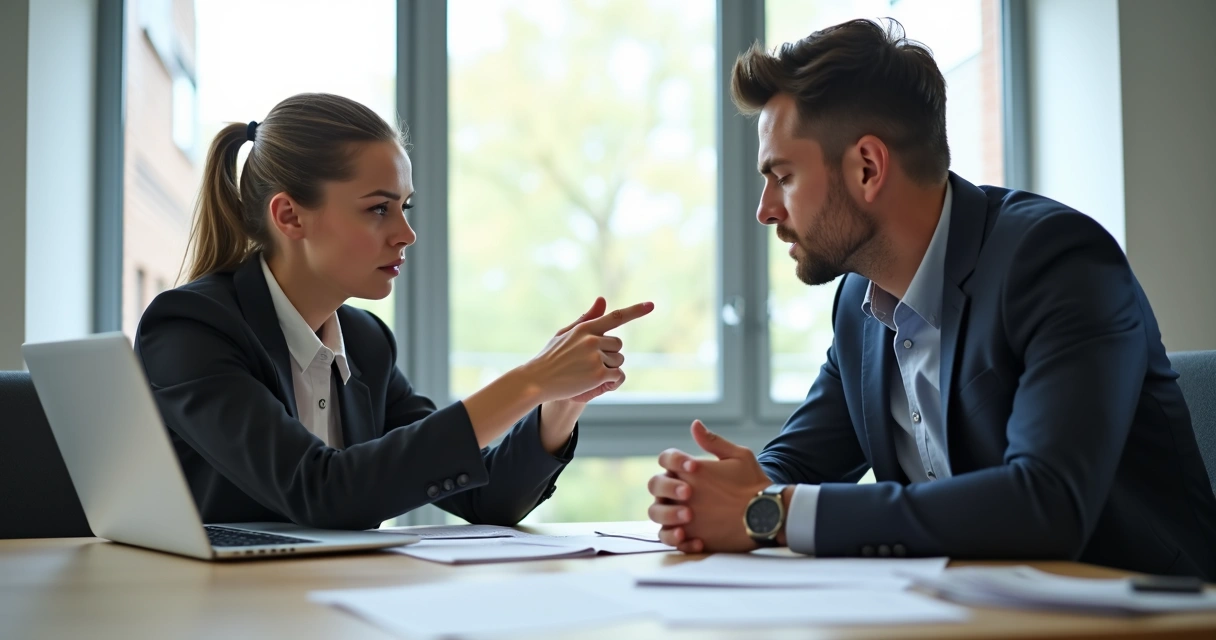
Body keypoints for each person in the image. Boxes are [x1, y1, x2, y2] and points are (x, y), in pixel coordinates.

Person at [646, 19, 1216, 580]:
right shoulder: (859, 306)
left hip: (1144, 614)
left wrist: (766, 513)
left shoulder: (1056, 262)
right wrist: (716, 494)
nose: (765, 209)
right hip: (970, 612)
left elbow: (1047, 502)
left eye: (783, 176)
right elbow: (796, 462)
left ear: (867, 168)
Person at [136, 93, 653, 530]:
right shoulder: (191, 329)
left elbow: (485, 497)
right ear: (289, 215)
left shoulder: (365, 343)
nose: (405, 234)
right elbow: (322, 491)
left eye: (405, 207)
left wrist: (559, 403)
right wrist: (528, 382)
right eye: (378, 209)